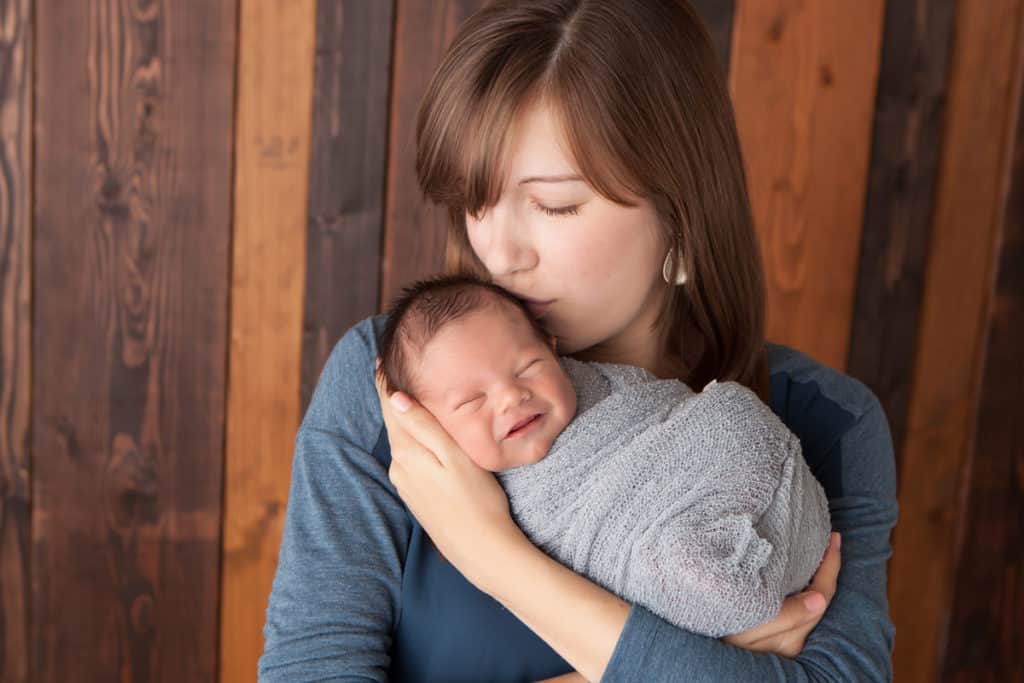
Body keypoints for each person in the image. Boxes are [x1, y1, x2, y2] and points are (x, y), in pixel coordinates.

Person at [259, 1, 898, 681]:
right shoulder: (393, 383)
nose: (498, 253)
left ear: (682, 213)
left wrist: (495, 557)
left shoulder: (828, 423)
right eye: (478, 200)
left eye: (556, 204)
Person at [375, 274, 832, 640]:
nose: (512, 397)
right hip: (668, 547)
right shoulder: (443, 488)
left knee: (730, 417)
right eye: (472, 401)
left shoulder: (604, 389)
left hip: (720, 473)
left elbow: (674, 414)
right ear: (424, 424)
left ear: (553, 352)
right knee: (686, 569)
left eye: (528, 368)